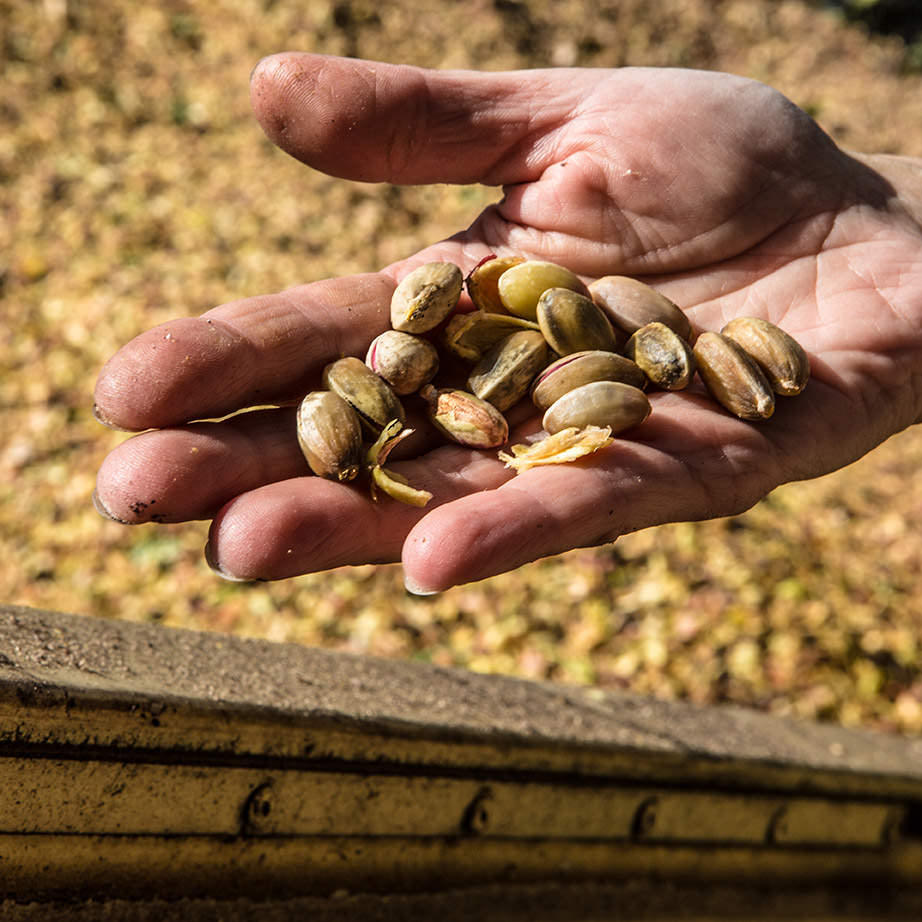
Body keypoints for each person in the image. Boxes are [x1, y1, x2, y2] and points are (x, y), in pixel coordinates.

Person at [92, 53, 922, 595]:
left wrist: (883, 219)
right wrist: (891, 213)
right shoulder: (482, 350)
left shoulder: (598, 337)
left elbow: (574, 345)